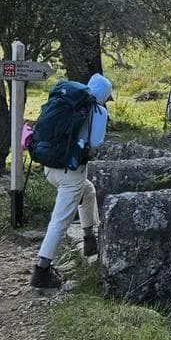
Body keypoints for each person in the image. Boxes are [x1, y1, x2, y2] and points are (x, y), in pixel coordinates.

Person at [31, 73, 113, 289]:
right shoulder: (98, 110)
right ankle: (42, 270)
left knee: (89, 191)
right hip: (71, 171)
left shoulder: (66, 100)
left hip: (50, 167)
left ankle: (89, 238)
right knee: (60, 221)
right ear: (105, 95)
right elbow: (95, 142)